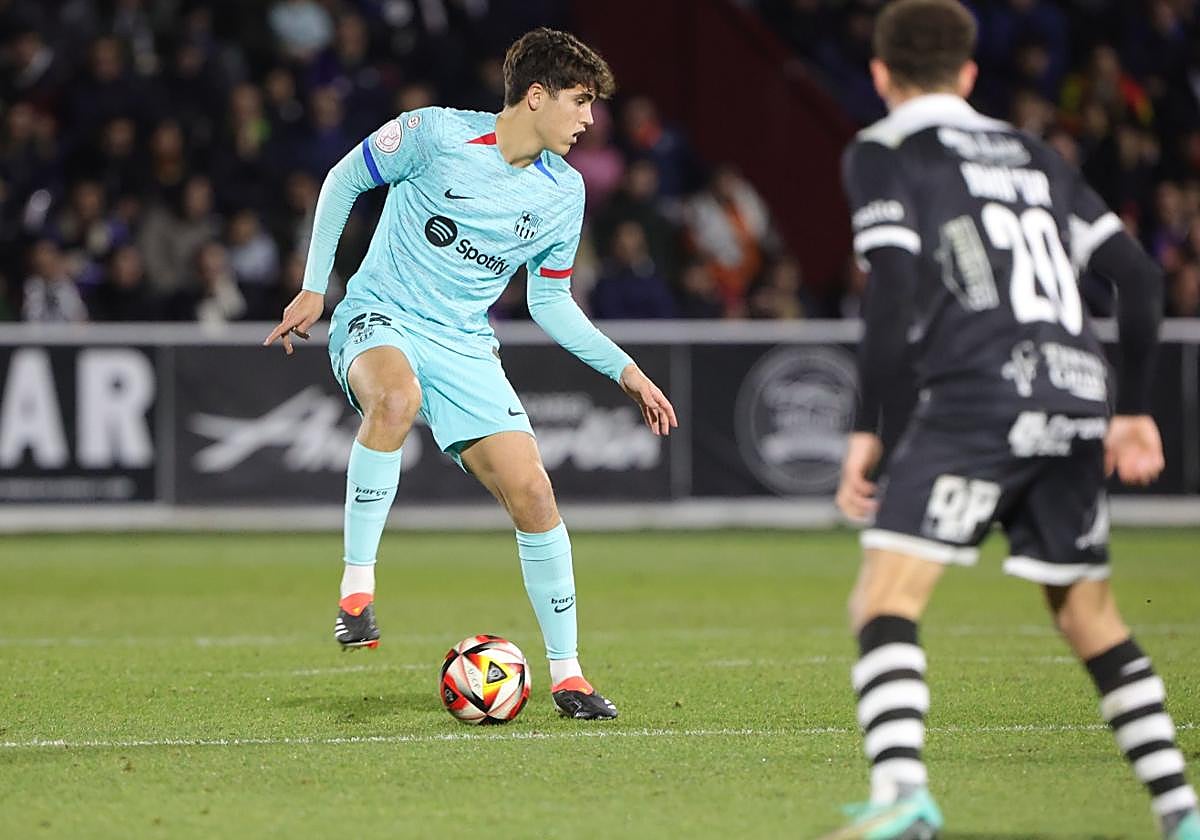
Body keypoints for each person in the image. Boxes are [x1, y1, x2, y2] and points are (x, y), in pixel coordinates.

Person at [830, 1, 1198, 837]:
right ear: (968, 73)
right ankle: (1182, 813)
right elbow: (1139, 279)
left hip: (980, 392)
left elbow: (891, 286)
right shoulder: (1035, 153)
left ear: (881, 73)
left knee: (886, 595)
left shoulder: (884, 150)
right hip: (1076, 393)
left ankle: (903, 796)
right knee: (1089, 616)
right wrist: (1135, 410)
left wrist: (869, 425)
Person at [264, 28, 676, 721]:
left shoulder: (564, 192)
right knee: (395, 398)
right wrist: (314, 287)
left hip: (463, 344)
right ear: (536, 96)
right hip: (381, 315)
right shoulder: (435, 134)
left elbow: (550, 302)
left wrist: (626, 372)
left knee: (534, 494)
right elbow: (343, 179)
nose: (589, 119)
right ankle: (357, 591)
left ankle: (569, 677)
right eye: (580, 101)